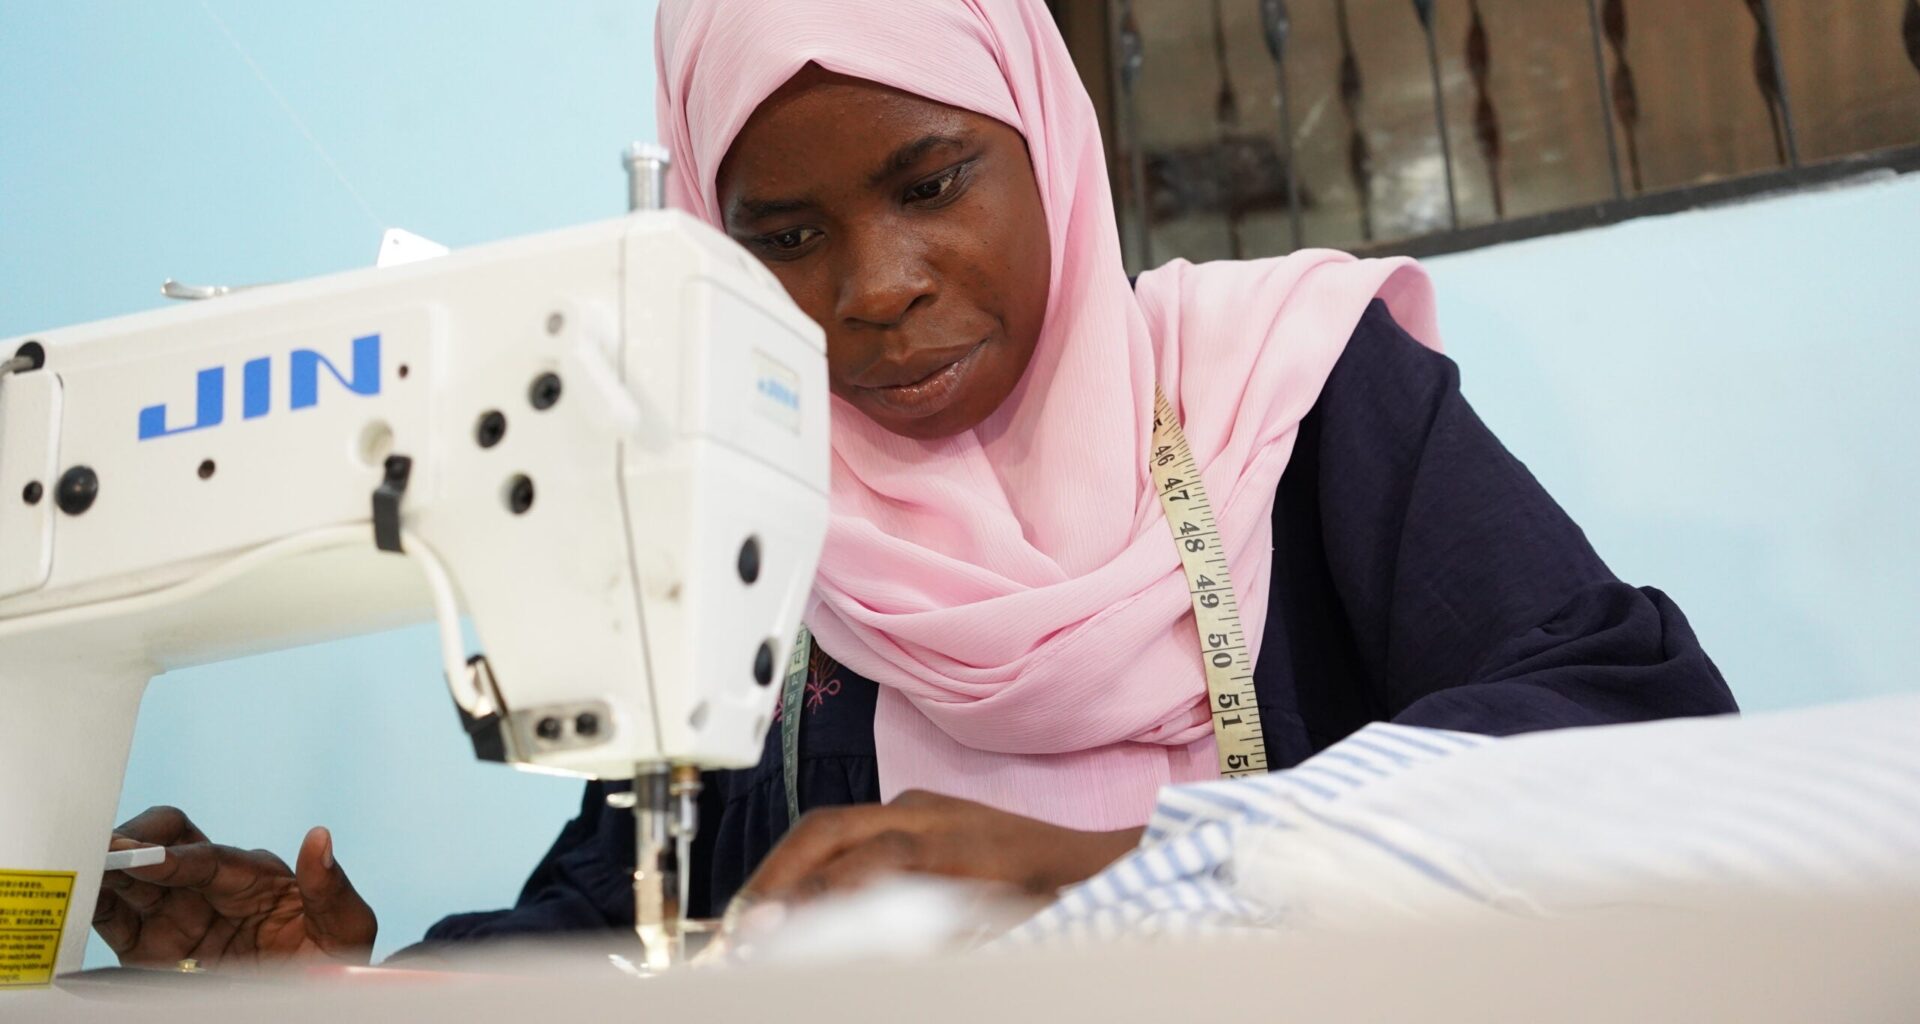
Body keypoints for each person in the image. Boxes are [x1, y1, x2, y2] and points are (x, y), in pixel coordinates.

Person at [92, 0, 1736, 969]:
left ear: (1051, 142)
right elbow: (635, 911)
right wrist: (362, 979)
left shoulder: (1286, 395)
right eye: (782, 239)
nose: (870, 288)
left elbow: (1637, 735)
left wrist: (1103, 867)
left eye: (933, 182)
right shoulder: (755, 501)